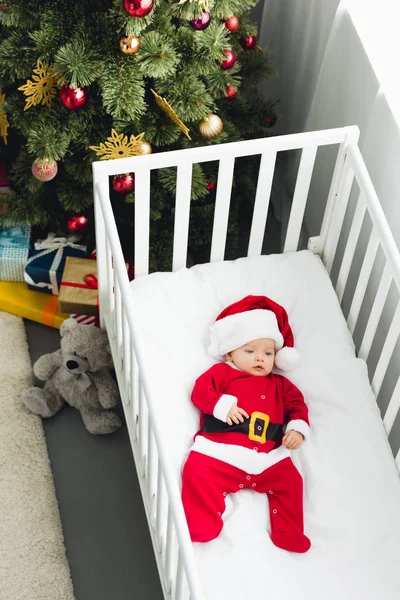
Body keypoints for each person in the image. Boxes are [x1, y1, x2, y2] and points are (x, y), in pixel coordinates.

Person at [181, 295, 311, 553]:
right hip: (221, 452)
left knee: (292, 481)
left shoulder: (280, 385)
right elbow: (201, 392)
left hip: (268, 457)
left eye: (268, 352)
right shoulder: (222, 373)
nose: (260, 358)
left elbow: (297, 405)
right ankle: (201, 523)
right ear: (230, 353)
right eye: (249, 351)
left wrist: (296, 428)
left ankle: (288, 531)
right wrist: (223, 407)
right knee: (197, 471)